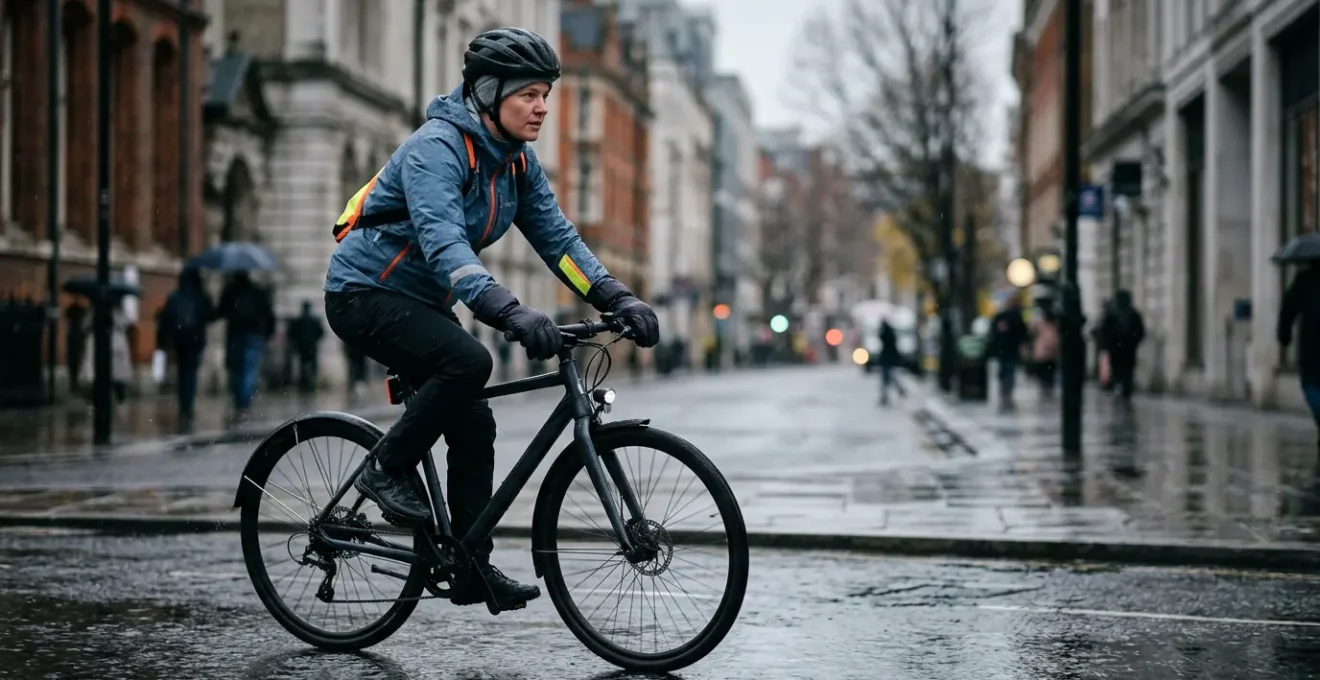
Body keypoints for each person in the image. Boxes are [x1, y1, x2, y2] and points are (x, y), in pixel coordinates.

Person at [323, 27, 660, 611]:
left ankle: (469, 566)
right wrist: (509, 311)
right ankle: (383, 470)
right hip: (362, 292)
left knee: (475, 423)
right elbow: (444, 242)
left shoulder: (517, 164)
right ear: (488, 92)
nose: (543, 107)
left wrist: (615, 296)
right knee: (469, 360)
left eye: (546, 94)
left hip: (419, 302)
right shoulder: (438, 148)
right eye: (529, 94)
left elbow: (558, 242)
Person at [156, 267, 216, 431]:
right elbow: (211, 315)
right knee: (191, 372)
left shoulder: (175, 296)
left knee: (183, 371)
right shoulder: (200, 296)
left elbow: (165, 319)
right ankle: (187, 404)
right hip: (196, 340)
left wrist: (162, 342)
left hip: (180, 340)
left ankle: (184, 403)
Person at [217, 271, 276, 418]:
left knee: (235, 368)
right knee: (248, 370)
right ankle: (244, 405)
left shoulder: (230, 291)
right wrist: (268, 333)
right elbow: (268, 314)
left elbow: (221, 311)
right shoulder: (257, 292)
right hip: (253, 335)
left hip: (235, 335)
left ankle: (239, 402)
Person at [1278, 261, 1320, 451]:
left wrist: (1284, 337)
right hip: (1311, 349)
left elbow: (1287, 311)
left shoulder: (1303, 280)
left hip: (1310, 348)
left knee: (1310, 386)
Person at [1100, 289, 1145, 402]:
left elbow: (1104, 332)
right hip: (1125, 350)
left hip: (1120, 350)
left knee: (1120, 372)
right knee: (1124, 372)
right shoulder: (1131, 314)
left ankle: (1121, 390)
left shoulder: (1116, 314)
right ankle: (1123, 391)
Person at [988, 295, 1029, 410]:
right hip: (1007, 350)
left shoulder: (1007, 316)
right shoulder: (1010, 316)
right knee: (1007, 370)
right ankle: (1006, 391)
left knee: (1007, 371)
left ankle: (1006, 391)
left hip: (1007, 350)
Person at [1029, 305, 1060, 399]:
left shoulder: (1054, 325)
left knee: (1048, 370)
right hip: (1044, 351)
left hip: (1048, 351)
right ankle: (1046, 385)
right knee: (1045, 370)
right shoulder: (1042, 324)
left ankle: (1047, 385)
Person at [877, 319, 906, 406]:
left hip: (887, 360)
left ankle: (886, 396)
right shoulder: (891, 334)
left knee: (887, 378)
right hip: (889, 360)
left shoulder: (886, 335)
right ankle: (898, 391)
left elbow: (882, 339)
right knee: (890, 377)